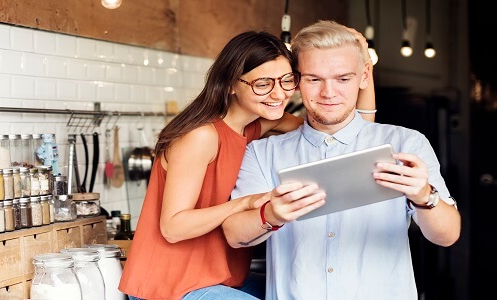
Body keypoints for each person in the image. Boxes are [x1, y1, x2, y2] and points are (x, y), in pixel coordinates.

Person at [119, 28, 376, 300]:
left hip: (217, 278)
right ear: (231, 84)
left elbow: (350, 133)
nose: (279, 94)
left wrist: (363, 66)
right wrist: (245, 202)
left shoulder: (259, 125)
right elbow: (173, 227)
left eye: (286, 80)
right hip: (170, 284)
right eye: (263, 84)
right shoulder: (201, 136)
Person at [221, 20, 461, 300]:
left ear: (363, 77)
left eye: (343, 79)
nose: (328, 93)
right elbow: (235, 235)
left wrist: (423, 196)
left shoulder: (407, 143)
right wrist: (272, 215)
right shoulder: (263, 153)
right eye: (314, 79)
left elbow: (448, 236)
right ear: (297, 82)